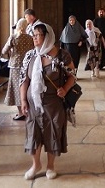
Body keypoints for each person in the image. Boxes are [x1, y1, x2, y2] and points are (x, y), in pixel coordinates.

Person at [19, 23, 76, 180]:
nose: (34, 38)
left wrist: (65, 88)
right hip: (33, 104)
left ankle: (50, 166)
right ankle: (35, 165)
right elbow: (24, 79)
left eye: (38, 35)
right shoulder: (30, 56)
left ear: (47, 36)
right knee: (33, 132)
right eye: (34, 35)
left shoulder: (62, 56)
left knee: (53, 132)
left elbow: (72, 76)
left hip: (53, 103)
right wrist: (23, 99)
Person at [1, 18, 34, 120]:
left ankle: (20, 112)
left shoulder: (14, 37)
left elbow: (4, 50)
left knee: (16, 88)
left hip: (15, 66)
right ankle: (28, 110)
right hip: (27, 65)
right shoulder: (30, 38)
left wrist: (11, 53)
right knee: (27, 87)